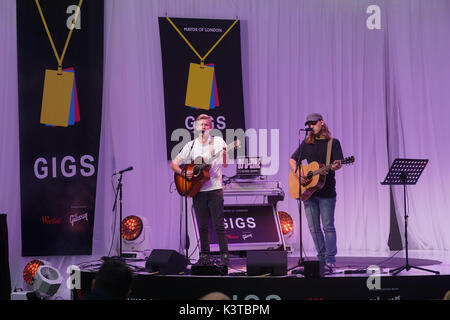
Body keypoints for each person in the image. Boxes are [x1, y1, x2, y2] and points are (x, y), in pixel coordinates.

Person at [170, 114, 229, 267]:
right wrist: (184, 173)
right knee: (202, 226)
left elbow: (226, 165)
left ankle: (224, 258)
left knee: (219, 225)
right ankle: (204, 257)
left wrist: (223, 155)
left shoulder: (218, 142)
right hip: (197, 190)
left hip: (215, 189)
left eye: (206, 125)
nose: (203, 128)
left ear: (211, 127)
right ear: (195, 127)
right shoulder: (190, 145)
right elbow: (174, 164)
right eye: (200, 125)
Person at [289, 113, 343, 272]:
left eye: (313, 123)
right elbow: (292, 160)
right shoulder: (306, 144)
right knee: (313, 228)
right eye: (309, 124)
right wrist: (299, 173)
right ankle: (321, 260)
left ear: (321, 123)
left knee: (328, 227)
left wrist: (336, 166)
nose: (311, 126)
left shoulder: (333, 143)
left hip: (327, 192)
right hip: (309, 193)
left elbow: (339, 163)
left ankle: (330, 260)